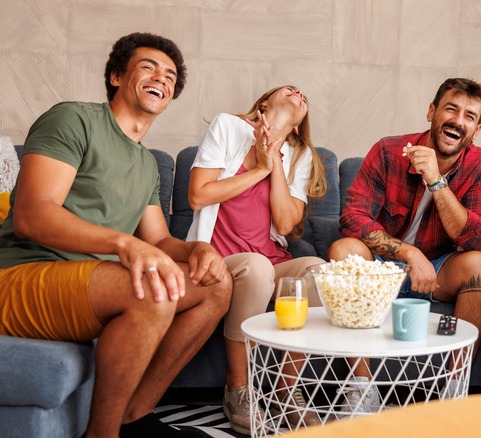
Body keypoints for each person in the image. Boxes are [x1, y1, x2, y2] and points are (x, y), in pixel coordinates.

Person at [0, 33, 232, 437]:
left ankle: (133, 417)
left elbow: (160, 240)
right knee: (152, 291)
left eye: (171, 75)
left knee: (216, 286)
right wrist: (124, 244)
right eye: (148, 66)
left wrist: (197, 248)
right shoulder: (74, 119)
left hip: (93, 285)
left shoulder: (145, 164)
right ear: (115, 76)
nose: (161, 76)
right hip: (22, 275)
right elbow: (33, 215)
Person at [328, 77, 481, 410]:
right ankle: (362, 389)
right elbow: (352, 218)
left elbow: (475, 238)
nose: (458, 121)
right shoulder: (389, 150)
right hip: (380, 270)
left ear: (477, 130)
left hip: (436, 272)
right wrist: (408, 252)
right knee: (343, 250)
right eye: (451, 109)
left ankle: (453, 389)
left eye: (469, 116)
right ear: (431, 112)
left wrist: (436, 180)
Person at [186, 85, 328, 432]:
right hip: (219, 260)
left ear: (298, 125)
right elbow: (198, 196)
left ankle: (286, 392)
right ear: (264, 103)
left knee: (317, 271)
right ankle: (238, 389)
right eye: (288, 89)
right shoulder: (228, 127)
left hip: (270, 257)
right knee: (256, 266)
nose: (298, 93)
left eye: (303, 97)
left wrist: (275, 155)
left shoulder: (299, 154)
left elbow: (284, 222)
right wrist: (260, 170)